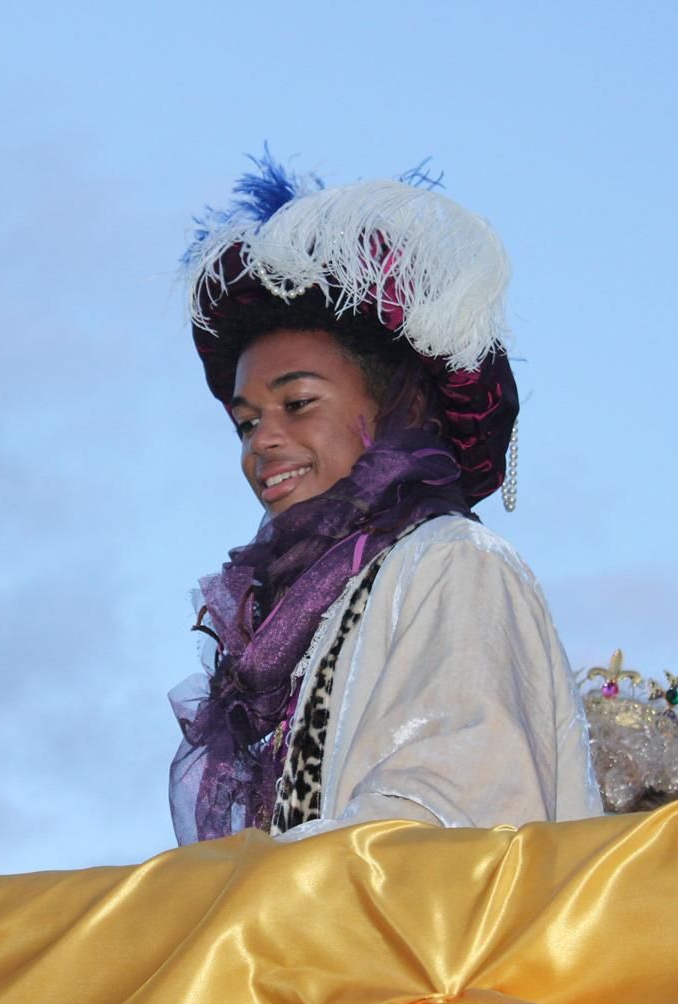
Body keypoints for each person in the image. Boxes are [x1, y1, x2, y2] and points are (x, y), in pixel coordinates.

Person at [169, 152, 603, 844]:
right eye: (247, 422)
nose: (263, 443)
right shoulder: (301, 614)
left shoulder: (457, 564)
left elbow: (455, 820)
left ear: (392, 404)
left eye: (298, 402)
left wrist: (254, 898)